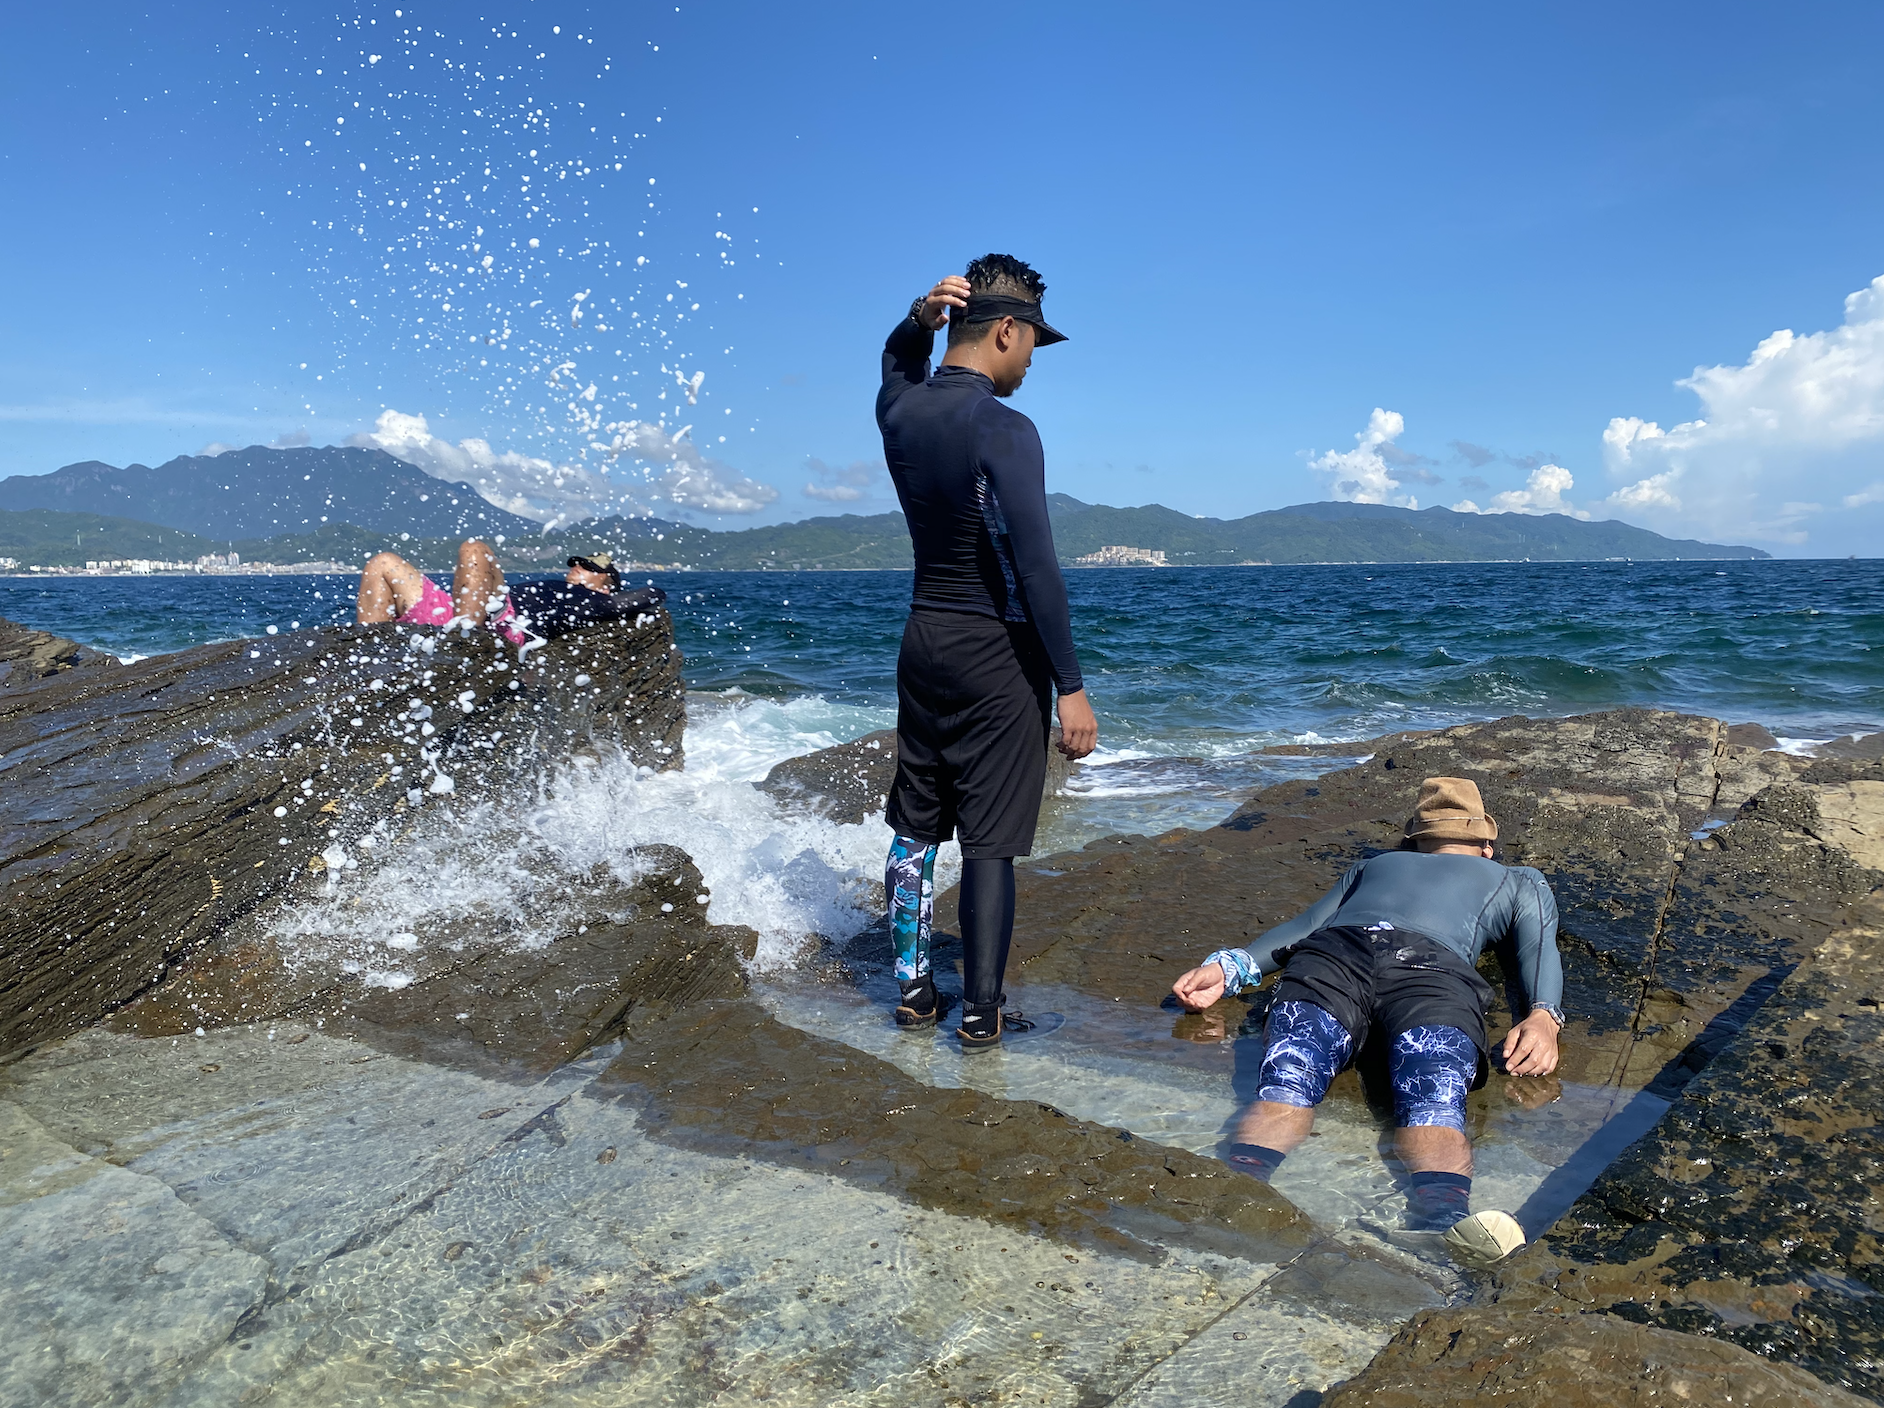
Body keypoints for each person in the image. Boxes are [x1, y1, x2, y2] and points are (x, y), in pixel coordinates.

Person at [1170, 776, 1566, 1267]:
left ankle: (1239, 1186)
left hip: (1332, 957)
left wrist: (1228, 968)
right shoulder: (1518, 878)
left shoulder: (1375, 865)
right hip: (1432, 972)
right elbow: (1538, 948)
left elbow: (1303, 928)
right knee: (1434, 1097)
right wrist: (1544, 1015)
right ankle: (1442, 1219)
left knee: (1290, 1078)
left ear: (1413, 840)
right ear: (1487, 844)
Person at [877, 254, 1099, 1049]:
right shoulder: (1005, 429)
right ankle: (981, 1013)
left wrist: (917, 319)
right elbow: (1035, 567)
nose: (1033, 358)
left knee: (917, 824)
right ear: (1007, 329)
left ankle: (912, 993)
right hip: (997, 655)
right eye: (1033, 340)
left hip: (923, 640)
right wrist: (1070, 685)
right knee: (990, 843)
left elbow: (896, 362)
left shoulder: (901, 411)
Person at [355, 541, 662, 641]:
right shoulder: (559, 589)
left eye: (590, 567)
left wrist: (613, 602)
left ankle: (464, 645)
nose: (578, 566)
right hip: (460, 610)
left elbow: (654, 593)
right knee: (383, 563)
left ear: (608, 586)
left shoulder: (594, 602)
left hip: (497, 625)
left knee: (475, 549)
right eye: (576, 563)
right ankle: (369, 652)